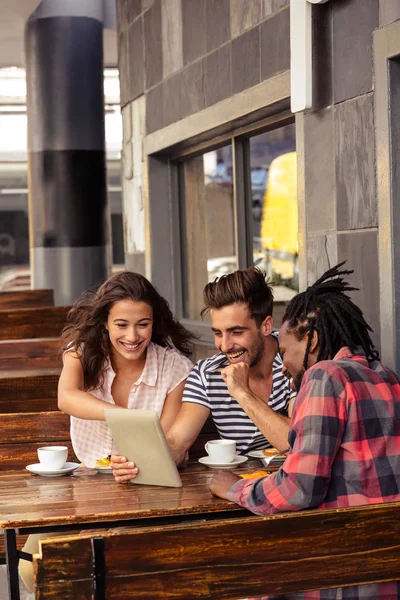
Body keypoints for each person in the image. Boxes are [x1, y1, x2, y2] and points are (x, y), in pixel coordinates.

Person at [210, 263, 400, 600]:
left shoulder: (324, 376)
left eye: (285, 351)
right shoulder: (385, 376)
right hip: (386, 565)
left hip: (341, 572)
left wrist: (236, 489)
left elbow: (300, 489)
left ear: (311, 338)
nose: (283, 365)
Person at [19, 271, 194, 593]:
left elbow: (168, 444)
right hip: (88, 487)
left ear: (154, 323)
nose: (132, 335)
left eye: (143, 323)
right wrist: (130, 417)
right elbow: (66, 398)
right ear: (105, 323)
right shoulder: (81, 352)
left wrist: (139, 460)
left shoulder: (175, 367)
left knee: (127, 568)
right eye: (121, 324)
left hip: (149, 490)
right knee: (32, 566)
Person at [112, 267, 295, 482]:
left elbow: (297, 443)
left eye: (236, 332)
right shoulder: (206, 374)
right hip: (235, 491)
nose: (225, 346)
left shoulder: (294, 363)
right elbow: (177, 443)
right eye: (218, 333)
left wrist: (243, 394)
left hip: (293, 488)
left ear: (265, 326)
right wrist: (137, 463)